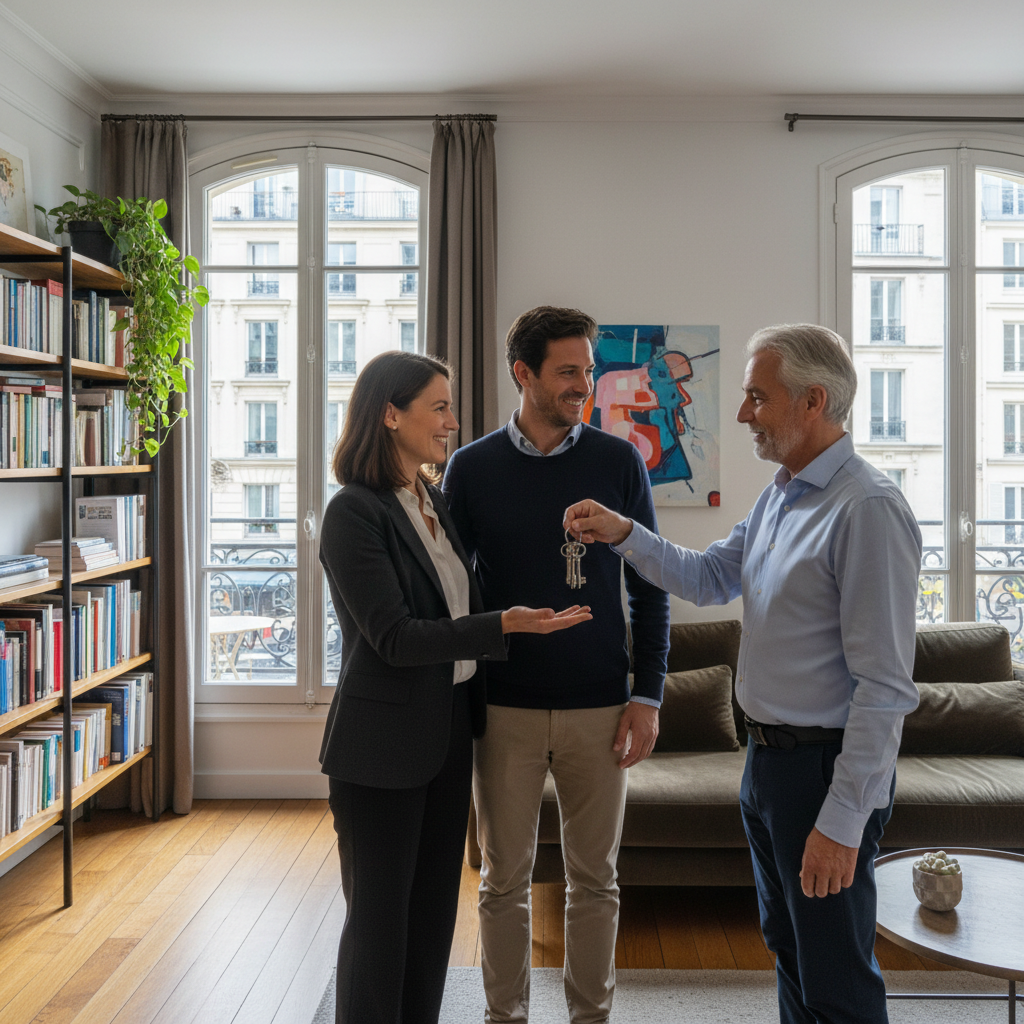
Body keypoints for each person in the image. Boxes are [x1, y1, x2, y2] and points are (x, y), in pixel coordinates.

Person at [563, 324, 922, 1024]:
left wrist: (842, 823)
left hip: (824, 773)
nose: (742, 413)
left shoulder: (867, 509)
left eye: (758, 397)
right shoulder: (782, 495)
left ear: (813, 400)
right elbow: (707, 576)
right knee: (789, 947)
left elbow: (885, 688)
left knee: (835, 975)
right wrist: (624, 531)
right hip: (769, 766)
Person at [319, 350, 592, 1024]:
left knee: (433, 914)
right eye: (438, 406)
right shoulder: (354, 512)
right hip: (381, 746)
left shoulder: (429, 496)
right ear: (390, 414)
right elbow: (395, 636)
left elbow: (446, 602)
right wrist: (501, 624)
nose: (452, 420)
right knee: (380, 925)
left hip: (445, 729)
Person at [442, 307, 670, 1024]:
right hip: (502, 707)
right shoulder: (470, 468)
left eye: (589, 370)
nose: (585, 383)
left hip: (601, 707)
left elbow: (651, 582)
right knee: (502, 882)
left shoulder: (617, 460)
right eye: (569, 371)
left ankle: (589, 1016)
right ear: (524, 374)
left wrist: (649, 695)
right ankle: (504, 1015)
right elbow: (449, 588)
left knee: (594, 881)